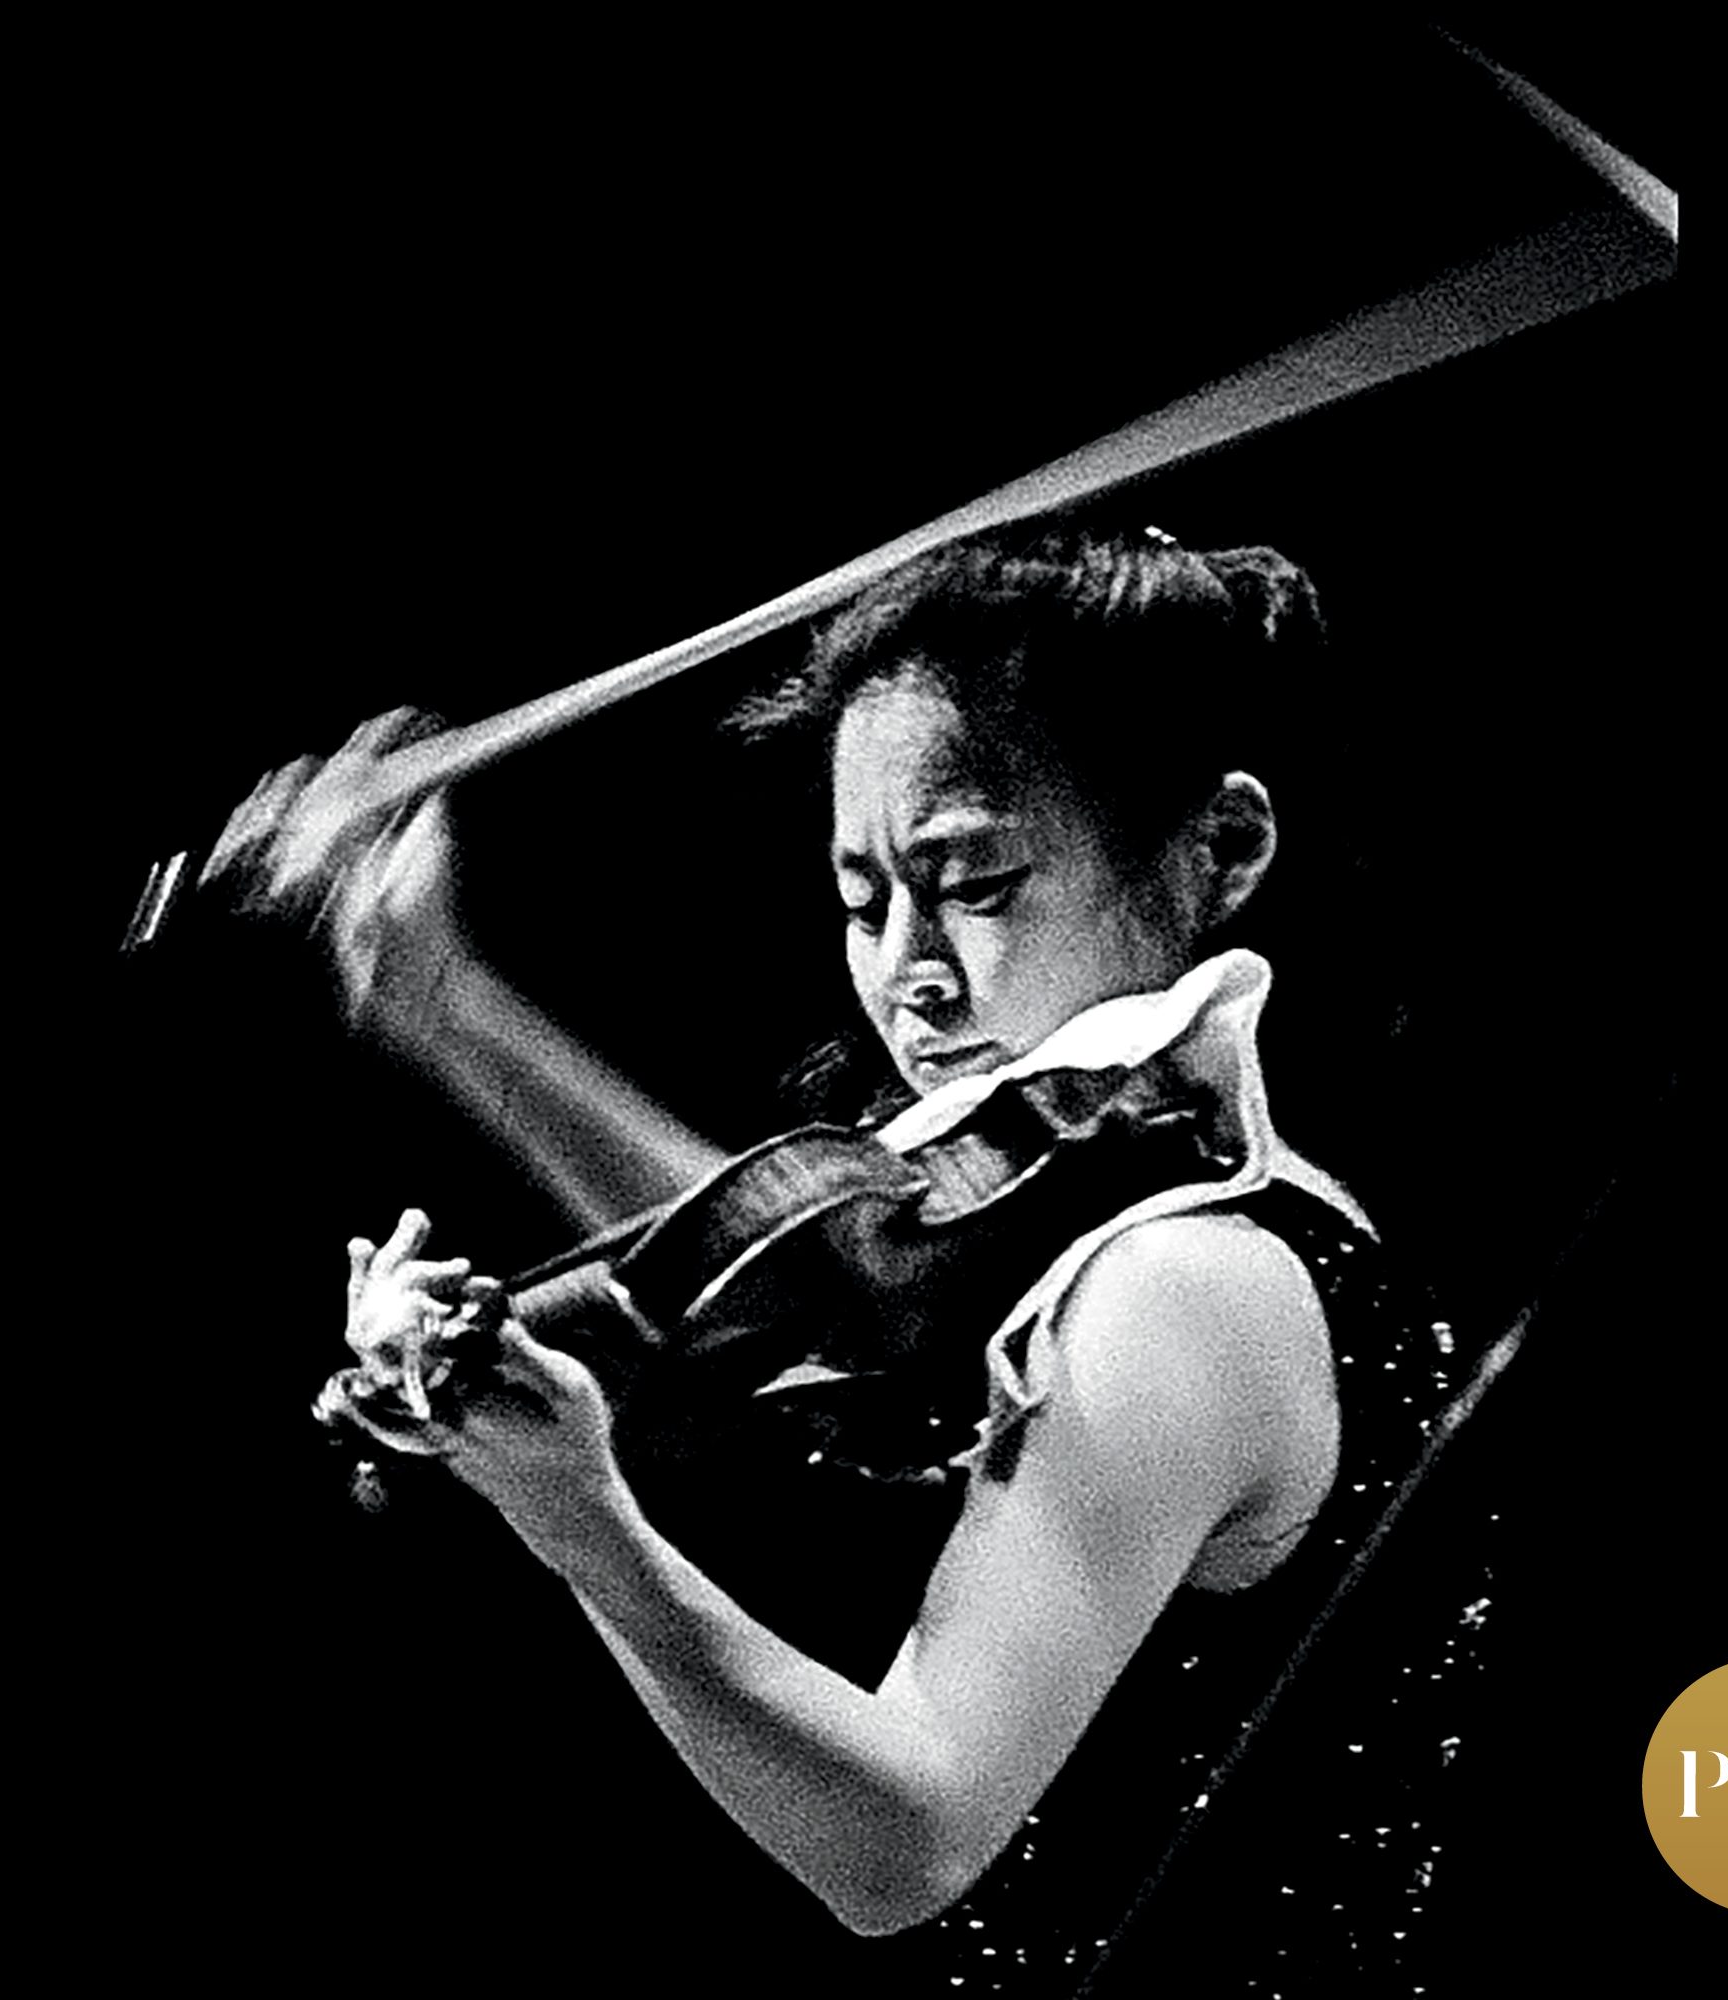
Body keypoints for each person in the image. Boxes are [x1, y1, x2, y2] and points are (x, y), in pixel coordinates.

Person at [220, 525, 1462, 1992]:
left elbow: (903, 1844)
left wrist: (582, 1525)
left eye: (975, 883)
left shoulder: (1188, 1290)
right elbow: (810, 1265)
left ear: (1224, 848)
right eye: (865, 902)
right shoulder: (1168, 1228)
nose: (909, 974)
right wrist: (446, 1002)